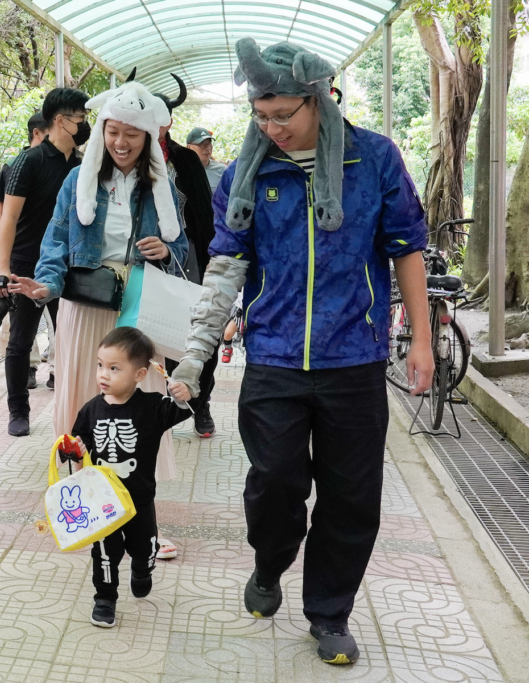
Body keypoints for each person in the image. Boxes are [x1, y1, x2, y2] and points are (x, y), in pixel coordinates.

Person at [169, 39, 433, 665]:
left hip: (354, 360)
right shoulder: (245, 173)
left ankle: (330, 612)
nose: (271, 128)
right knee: (274, 484)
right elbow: (225, 268)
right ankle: (270, 561)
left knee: (351, 495)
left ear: (318, 100)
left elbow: (406, 248)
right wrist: (193, 357)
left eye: (283, 115)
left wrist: (421, 336)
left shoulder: (373, 159)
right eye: (261, 116)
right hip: (275, 360)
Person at [9, 80, 191, 493]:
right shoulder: (77, 179)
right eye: (113, 132)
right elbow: (55, 240)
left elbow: (182, 245)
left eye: (131, 134)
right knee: (83, 401)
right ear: (102, 132)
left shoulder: (162, 183)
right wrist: (46, 285)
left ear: (147, 137)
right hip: (85, 302)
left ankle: (141, 510)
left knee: (142, 403)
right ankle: (87, 502)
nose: (121, 143)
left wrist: (165, 248)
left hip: (141, 307)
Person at [70, 328, 193, 628]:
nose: (103, 374)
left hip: (139, 500)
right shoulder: (90, 409)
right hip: (102, 502)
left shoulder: (152, 407)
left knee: (145, 547)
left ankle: (142, 568)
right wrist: (74, 448)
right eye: (100, 365)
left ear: (139, 374)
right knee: (103, 553)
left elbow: (186, 411)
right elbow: (79, 439)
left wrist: (185, 394)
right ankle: (105, 597)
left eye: (114, 368)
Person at [0, 88, 90, 436]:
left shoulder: (82, 166)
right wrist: (3, 268)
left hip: (69, 270)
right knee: (21, 341)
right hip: (28, 266)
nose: (85, 126)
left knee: (70, 341)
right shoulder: (30, 161)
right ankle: (18, 410)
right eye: (81, 119)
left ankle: (76, 408)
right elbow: (8, 218)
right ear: (61, 121)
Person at [147, 72, 219, 440]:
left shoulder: (186, 162)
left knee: (195, 331)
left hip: (189, 257)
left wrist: (209, 264)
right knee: (146, 335)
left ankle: (200, 402)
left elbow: (205, 216)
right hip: (141, 262)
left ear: (169, 120)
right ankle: (151, 410)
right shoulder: (127, 157)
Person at [0, 111, 53, 391]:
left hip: (58, 262)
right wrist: (3, 264)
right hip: (25, 260)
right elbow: (2, 218)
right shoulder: (14, 167)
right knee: (20, 336)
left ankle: (55, 370)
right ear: (38, 134)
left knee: (64, 330)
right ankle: (19, 402)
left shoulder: (65, 166)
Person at [185, 127, 228, 193]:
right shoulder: (181, 170)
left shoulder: (223, 171)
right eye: (201, 144)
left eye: (208, 144)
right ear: (189, 147)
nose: (207, 148)